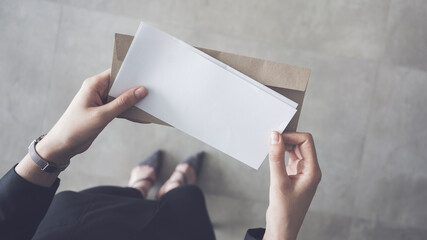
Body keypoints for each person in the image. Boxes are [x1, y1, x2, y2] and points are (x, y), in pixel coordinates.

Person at [0, 69, 321, 240]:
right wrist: (281, 231)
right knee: (184, 201)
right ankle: (170, 189)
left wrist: (52, 150)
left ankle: (139, 187)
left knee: (117, 199)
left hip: (73, 228)